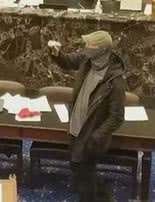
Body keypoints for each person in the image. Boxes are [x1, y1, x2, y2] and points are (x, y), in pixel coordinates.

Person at [48, 31, 127, 202]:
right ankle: (102, 196)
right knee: (77, 168)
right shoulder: (87, 59)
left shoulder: (115, 81)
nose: (85, 47)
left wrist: (95, 137)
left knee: (85, 175)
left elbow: (117, 117)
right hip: (75, 129)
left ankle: (97, 197)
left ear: (101, 50)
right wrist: (57, 54)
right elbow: (68, 61)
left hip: (91, 137)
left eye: (90, 45)